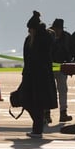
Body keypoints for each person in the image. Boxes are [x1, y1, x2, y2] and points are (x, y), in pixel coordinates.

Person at [20, 11, 57, 139]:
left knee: (36, 103)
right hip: (31, 76)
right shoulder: (30, 40)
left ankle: (37, 129)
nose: (29, 31)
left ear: (34, 29)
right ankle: (38, 126)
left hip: (40, 77)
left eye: (30, 29)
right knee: (28, 101)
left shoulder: (43, 39)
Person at [49, 18, 75, 122]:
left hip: (62, 67)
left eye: (58, 29)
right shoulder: (48, 36)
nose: (57, 31)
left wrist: (73, 64)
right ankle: (47, 114)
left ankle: (63, 112)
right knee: (49, 90)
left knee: (62, 90)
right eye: (55, 28)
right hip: (49, 67)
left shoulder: (67, 37)